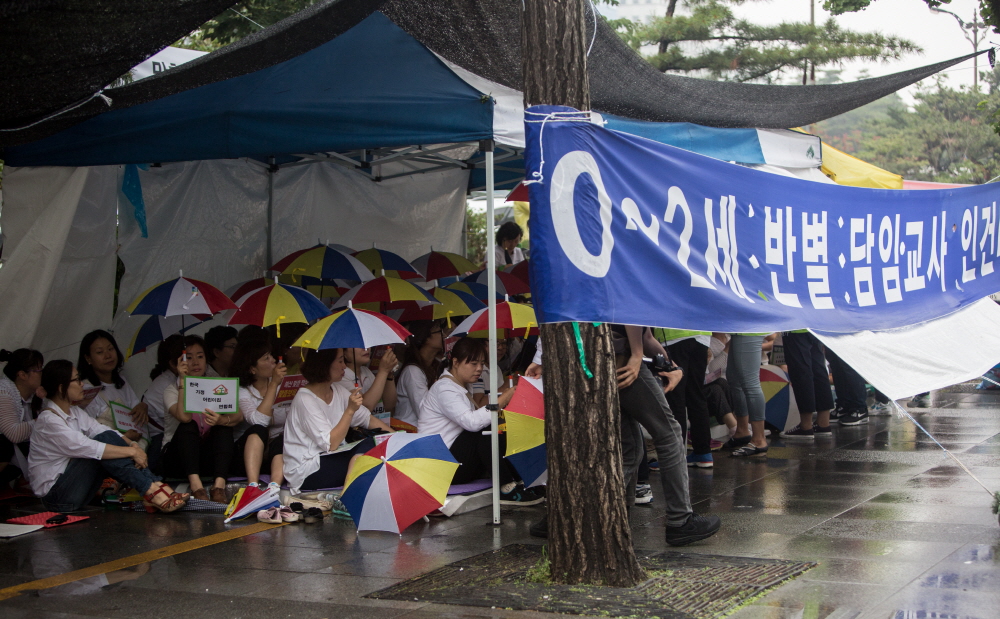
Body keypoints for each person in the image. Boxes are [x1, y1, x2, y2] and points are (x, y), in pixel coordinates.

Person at [28, 360, 188, 512]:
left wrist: (132, 445)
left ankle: (153, 486)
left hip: (73, 490)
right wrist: (132, 452)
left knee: (105, 435)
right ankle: (152, 488)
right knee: (99, 447)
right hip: (57, 498)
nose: (82, 384)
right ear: (61, 387)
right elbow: (88, 447)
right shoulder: (48, 421)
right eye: (76, 380)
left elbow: (101, 430)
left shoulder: (74, 411)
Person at [419, 338, 541, 504]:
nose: (479, 369)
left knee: (499, 425)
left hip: (456, 460)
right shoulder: (444, 388)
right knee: (485, 429)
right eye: (473, 364)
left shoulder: (460, 385)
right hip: (442, 466)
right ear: (455, 362)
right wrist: (503, 399)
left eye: (482, 363)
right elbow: (472, 422)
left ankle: (519, 481)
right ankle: (506, 487)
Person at [283, 348, 392, 494]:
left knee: (381, 441)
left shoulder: (338, 390)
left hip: (332, 459)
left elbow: (368, 419)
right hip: (308, 470)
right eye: (340, 361)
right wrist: (350, 410)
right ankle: (348, 492)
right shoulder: (305, 398)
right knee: (369, 444)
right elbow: (331, 443)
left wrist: (397, 439)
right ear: (324, 365)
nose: (344, 367)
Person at [160, 335, 241, 503]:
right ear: (177, 363)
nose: (196, 362)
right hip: (178, 459)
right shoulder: (171, 390)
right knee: (188, 425)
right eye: (188, 358)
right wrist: (183, 381)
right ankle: (197, 487)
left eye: (200, 356)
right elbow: (183, 416)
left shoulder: (215, 383)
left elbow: (238, 415)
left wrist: (221, 420)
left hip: (204, 457)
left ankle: (218, 486)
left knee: (222, 427)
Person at [654, 329, 713, 468]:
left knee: (675, 397)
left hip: (673, 335)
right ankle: (703, 452)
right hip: (701, 336)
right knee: (697, 395)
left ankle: (675, 458)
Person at [232, 339, 287, 487]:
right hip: (246, 457)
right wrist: (273, 384)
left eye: (271, 356)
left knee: (283, 437)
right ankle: (252, 486)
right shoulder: (242, 391)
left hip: (278, 454)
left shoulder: (284, 385)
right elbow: (259, 421)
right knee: (258, 430)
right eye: (266, 358)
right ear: (252, 369)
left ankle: (274, 486)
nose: (273, 360)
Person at [77, 331, 149, 444]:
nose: (108, 356)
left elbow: (134, 408)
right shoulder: (86, 390)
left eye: (110, 349)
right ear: (88, 358)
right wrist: (123, 437)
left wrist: (142, 406)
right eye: (100, 352)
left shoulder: (121, 381)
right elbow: (90, 431)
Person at [780, 331, 834, 440]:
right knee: (818, 368)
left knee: (800, 370)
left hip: (794, 325)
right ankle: (823, 423)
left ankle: (805, 426)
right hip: (813, 322)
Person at [0, 348, 43, 486]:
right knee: (4, 445)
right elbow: (14, 434)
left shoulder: (34, 395)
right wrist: (47, 418)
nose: (42, 374)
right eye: (38, 370)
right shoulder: (4, 392)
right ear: (22, 375)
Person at [144, 334, 186, 473]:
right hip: (160, 435)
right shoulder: (166, 385)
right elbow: (182, 418)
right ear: (173, 364)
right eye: (187, 358)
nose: (193, 363)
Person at [394, 321, 444, 429]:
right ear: (426, 338)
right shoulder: (413, 371)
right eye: (439, 332)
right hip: (410, 431)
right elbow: (423, 411)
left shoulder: (436, 366)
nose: (444, 335)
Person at [726, 333, 770, 456]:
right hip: (739, 328)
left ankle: (759, 439)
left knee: (750, 384)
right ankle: (742, 431)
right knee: (735, 381)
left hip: (747, 328)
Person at [339, 346, 397, 420]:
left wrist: (389, 375)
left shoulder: (366, 371)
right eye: (358, 345)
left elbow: (389, 405)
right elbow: (366, 407)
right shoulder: (341, 376)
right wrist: (383, 371)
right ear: (344, 353)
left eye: (365, 344)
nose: (366, 349)